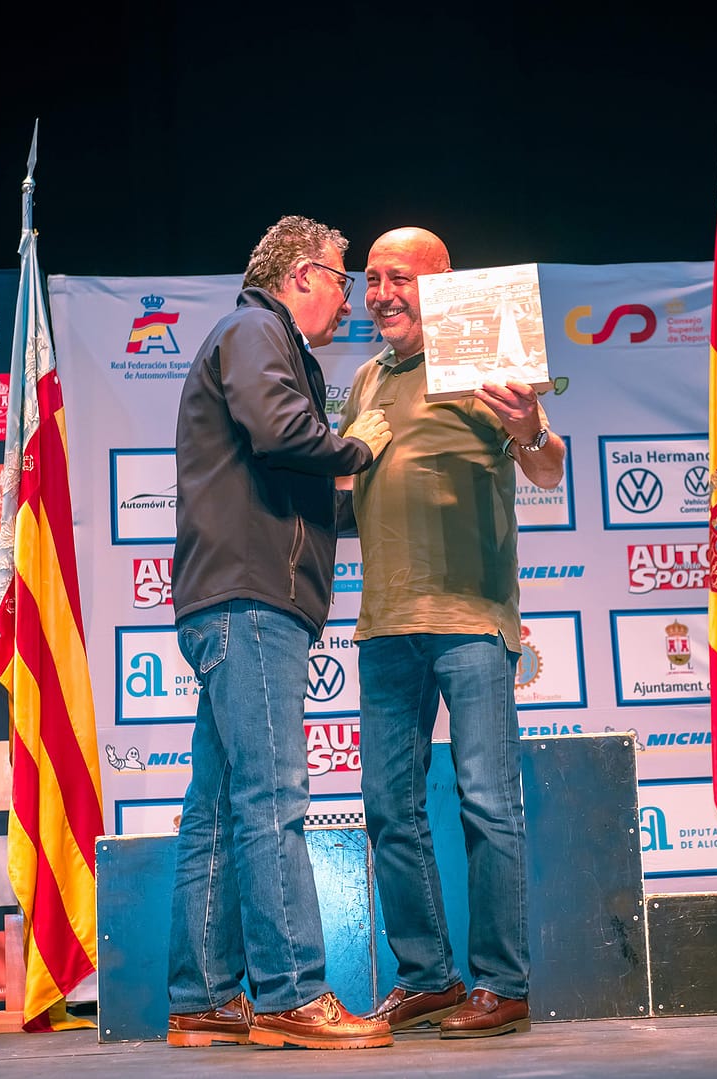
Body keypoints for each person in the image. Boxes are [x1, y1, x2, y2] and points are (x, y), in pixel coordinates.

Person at [165, 216, 394, 1050]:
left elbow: (286, 481)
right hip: (251, 600)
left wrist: (361, 492)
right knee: (271, 800)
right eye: (341, 277)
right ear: (300, 274)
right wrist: (357, 448)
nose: (350, 298)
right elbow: (281, 433)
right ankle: (292, 993)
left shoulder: (257, 339)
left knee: (219, 805)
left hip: (234, 598)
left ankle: (201, 997)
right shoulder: (258, 330)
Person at [345, 228, 565, 1038]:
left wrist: (531, 425)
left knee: (486, 801)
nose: (380, 295)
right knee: (386, 807)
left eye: (398, 279)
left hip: (470, 622)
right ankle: (428, 977)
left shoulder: (484, 362)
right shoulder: (366, 377)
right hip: (383, 625)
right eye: (371, 280)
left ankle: (503, 983)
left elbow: (547, 467)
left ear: (441, 285)